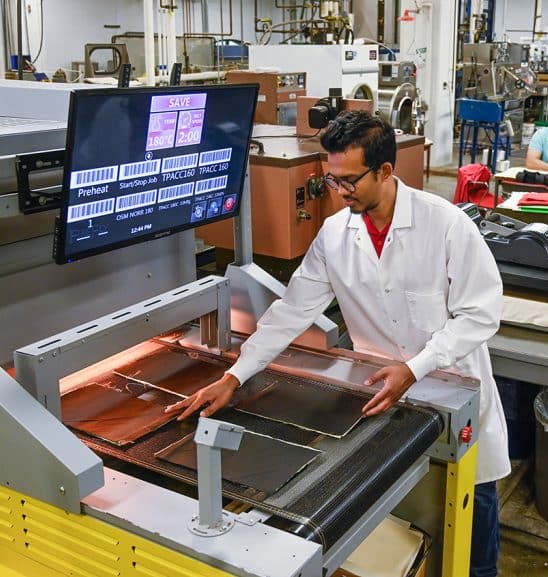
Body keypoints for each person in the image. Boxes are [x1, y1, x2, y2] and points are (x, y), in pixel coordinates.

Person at [166, 111, 511, 577]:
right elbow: (291, 311)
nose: (339, 191)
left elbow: (482, 314)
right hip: (383, 403)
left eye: (349, 181)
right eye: (331, 180)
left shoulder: (445, 226)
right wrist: (234, 375)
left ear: (386, 171)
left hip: (454, 393)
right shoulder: (336, 235)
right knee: (407, 523)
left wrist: (416, 366)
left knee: (472, 544)